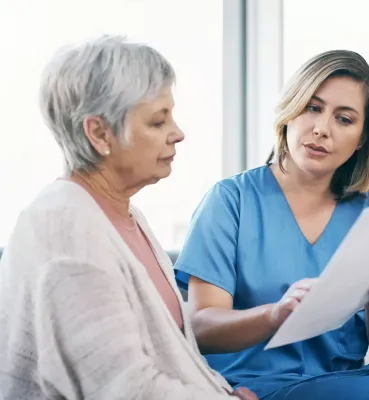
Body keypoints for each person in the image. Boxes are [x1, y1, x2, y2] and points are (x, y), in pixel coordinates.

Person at [0, 35, 257, 400]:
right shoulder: (65, 228)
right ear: (99, 133)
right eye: (157, 121)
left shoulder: (125, 215)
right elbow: (124, 387)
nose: (178, 134)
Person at [174, 49, 369, 399]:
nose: (322, 129)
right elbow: (201, 327)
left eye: (344, 119)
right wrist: (274, 316)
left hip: (347, 386)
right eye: (313, 107)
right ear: (290, 113)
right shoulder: (230, 201)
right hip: (250, 388)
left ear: (363, 139)